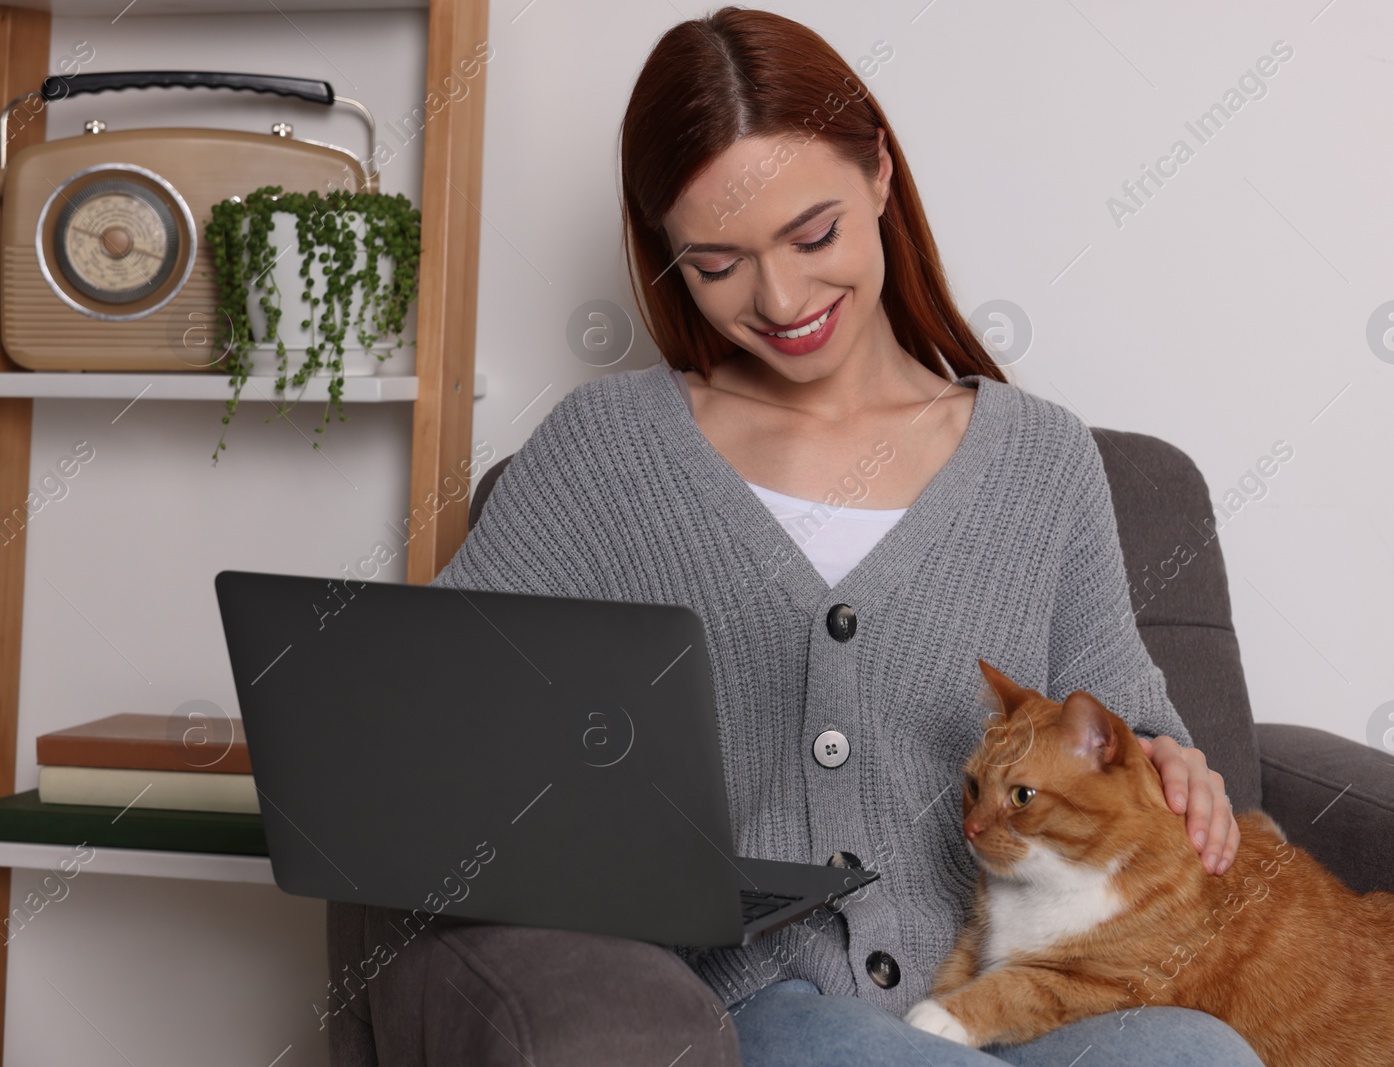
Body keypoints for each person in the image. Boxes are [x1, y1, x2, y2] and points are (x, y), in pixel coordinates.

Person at [431, 7, 1257, 1065]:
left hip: (1015, 990)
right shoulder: (610, 451)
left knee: (1200, 1053)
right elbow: (435, 698)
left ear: (878, 174)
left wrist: (1175, 762)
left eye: (811, 234)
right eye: (717, 262)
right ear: (664, 254)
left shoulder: (1040, 459)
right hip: (767, 1001)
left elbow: (1117, 713)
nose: (780, 300)